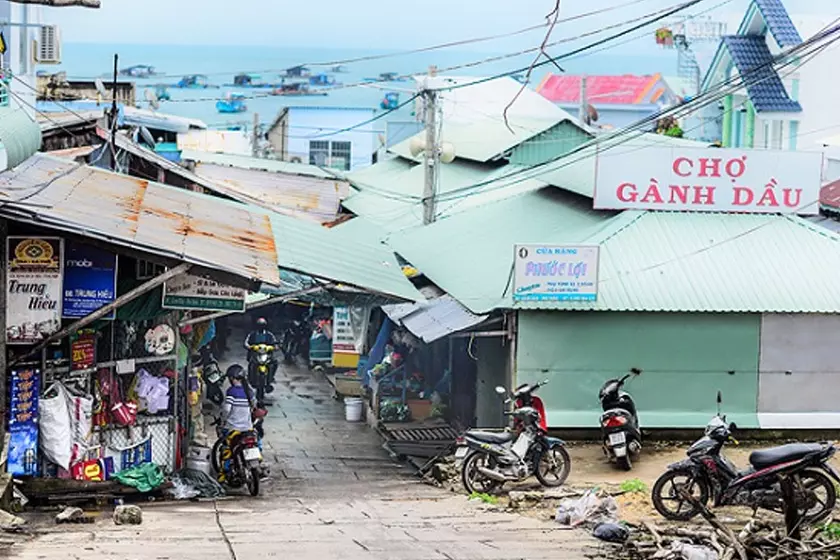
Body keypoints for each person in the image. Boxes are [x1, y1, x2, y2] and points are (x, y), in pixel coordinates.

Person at [218, 364, 260, 482]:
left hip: (233, 428)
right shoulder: (249, 391)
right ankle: (258, 462)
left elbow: (226, 409)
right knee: (256, 442)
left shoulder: (231, 391)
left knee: (226, 450)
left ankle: (222, 476)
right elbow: (254, 406)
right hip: (248, 428)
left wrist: (222, 421)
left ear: (232, 378)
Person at [244, 317, 279, 387]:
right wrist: (250, 347)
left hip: (267, 355)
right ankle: (251, 378)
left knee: (275, 363)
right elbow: (246, 343)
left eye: (262, 325)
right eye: (260, 325)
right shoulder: (252, 334)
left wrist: (274, 347)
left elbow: (275, 344)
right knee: (251, 364)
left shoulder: (269, 335)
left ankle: (271, 377)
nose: (261, 327)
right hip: (255, 354)